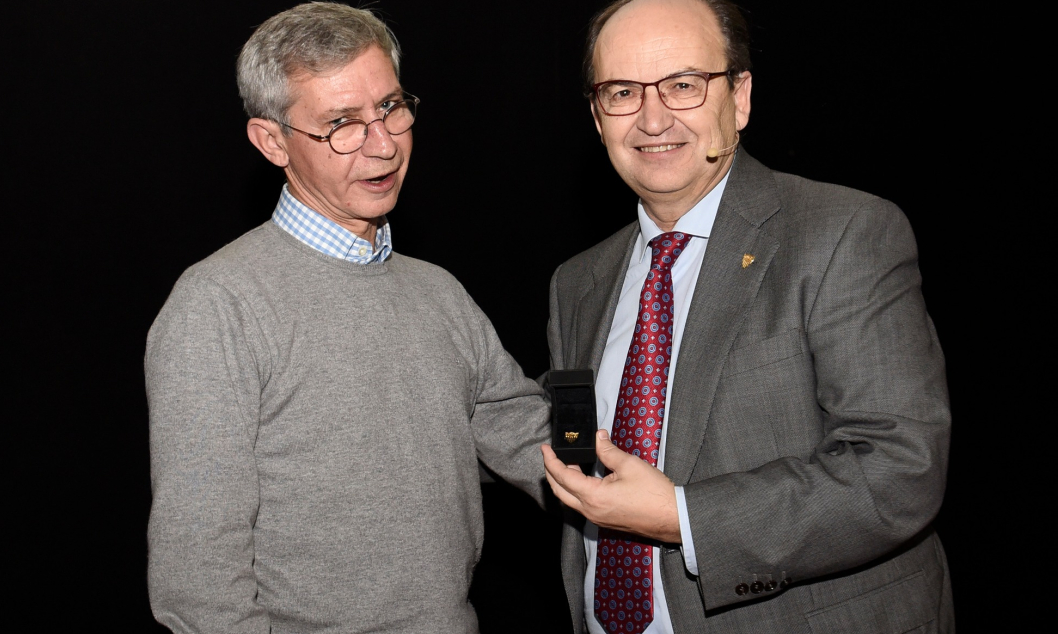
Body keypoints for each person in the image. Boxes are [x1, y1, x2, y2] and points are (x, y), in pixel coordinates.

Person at [540, 1, 953, 632]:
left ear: (740, 97)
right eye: (622, 92)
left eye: (683, 85)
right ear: (597, 117)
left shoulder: (843, 233)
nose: (653, 118)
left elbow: (899, 468)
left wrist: (682, 516)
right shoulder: (577, 283)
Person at [145, 3, 549, 632]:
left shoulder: (438, 291)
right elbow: (198, 581)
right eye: (342, 124)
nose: (383, 144)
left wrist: (687, 496)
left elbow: (528, 438)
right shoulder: (218, 305)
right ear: (272, 141)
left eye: (390, 108)